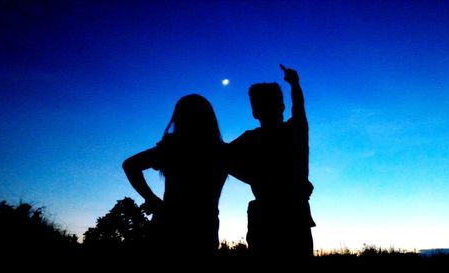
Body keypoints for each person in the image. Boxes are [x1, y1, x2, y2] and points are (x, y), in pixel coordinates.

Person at [227, 64, 316, 258]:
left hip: (274, 214)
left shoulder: (251, 138)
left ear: (254, 112)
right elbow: (299, 107)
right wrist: (294, 83)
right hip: (290, 213)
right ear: (282, 106)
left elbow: (221, 157)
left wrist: (253, 178)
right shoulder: (294, 131)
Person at [122, 94, 227, 257]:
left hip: (167, 228)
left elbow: (130, 165)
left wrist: (151, 198)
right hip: (203, 230)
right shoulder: (222, 152)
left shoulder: (171, 148)